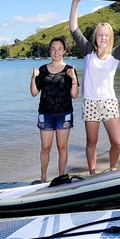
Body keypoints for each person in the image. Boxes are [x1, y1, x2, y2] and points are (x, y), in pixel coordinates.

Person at [69, 0, 120, 175]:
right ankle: (92, 173)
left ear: (110, 38)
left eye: (106, 35)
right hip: (91, 103)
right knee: (91, 142)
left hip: (109, 102)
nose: (103, 38)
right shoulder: (87, 51)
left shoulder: (115, 55)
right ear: (95, 37)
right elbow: (73, 28)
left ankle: (112, 169)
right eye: (100, 35)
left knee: (117, 142)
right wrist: (75, 3)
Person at [30, 37, 79, 183]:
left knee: (62, 147)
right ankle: (43, 177)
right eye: (53, 49)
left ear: (64, 51)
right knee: (45, 147)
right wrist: (34, 78)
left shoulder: (70, 70)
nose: (56, 52)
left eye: (59, 49)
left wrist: (74, 79)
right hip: (46, 114)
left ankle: (61, 177)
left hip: (64, 114)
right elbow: (34, 93)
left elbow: (75, 95)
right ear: (49, 51)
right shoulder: (43, 70)